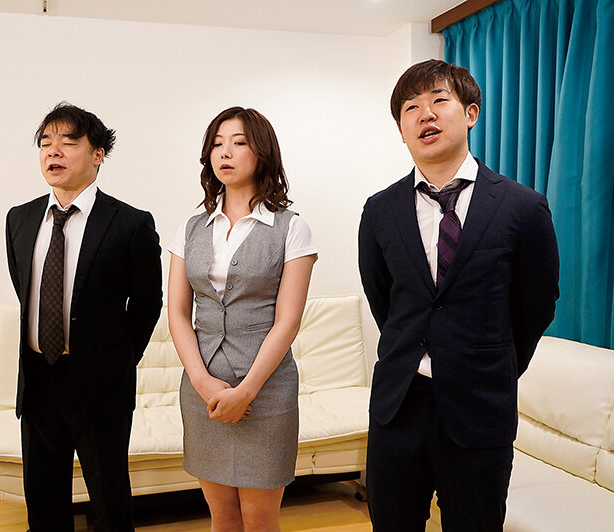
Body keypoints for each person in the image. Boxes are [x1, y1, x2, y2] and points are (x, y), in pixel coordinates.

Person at [358, 59, 560, 531]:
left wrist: (491, 363)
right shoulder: (380, 210)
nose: (425, 114)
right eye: (411, 108)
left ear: (470, 113)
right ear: (402, 131)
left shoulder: (522, 207)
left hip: (480, 405)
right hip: (398, 405)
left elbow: (536, 304)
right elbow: (383, 297)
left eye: (438, 101)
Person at [5, 102, 162, 531]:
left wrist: (117, 360)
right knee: (43, 502)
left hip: (100, 383)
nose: (53, 151)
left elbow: (147, 304)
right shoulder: (19, 219)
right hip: (37, 379)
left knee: (109, 502)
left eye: (68, 142)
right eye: (45, 143)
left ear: (98, 155)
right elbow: (25, 290)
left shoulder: (130, 223)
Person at [167, 106, 317, 531]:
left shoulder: (292, 228)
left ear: (262, 152)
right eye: (217, 144)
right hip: (204, 392)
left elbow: (288, 321)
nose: (225, 153)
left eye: (238, 143)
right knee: (223, 516)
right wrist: (202, 381)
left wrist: (246, 390)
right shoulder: (190, 228)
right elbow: (177, 313)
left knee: (259, 519)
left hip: (266, 392)